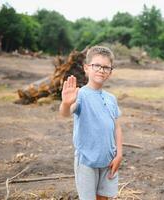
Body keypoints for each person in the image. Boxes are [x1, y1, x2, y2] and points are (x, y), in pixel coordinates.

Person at [59, 46, 123, 200]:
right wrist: (66, 104)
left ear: (110, 72)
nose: (101, 70)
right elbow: (65, 113)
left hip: (109, 160)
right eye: (97, 65)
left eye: (106, 67)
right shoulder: (80, 95)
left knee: (104, 197)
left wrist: (119, 154)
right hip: (87, 161)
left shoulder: (111, 98)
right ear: (87, 68)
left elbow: (117, 128)